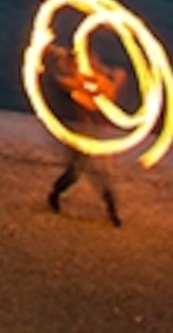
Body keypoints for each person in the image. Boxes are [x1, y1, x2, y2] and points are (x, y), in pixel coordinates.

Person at [42, 44, 126, 226]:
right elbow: (77, 87)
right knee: (76, 171)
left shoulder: (86, 62)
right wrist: (107, 84)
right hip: (77, 131)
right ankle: (55, 193)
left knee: (104, 172)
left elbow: (112, 75)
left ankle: (113, 209)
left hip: (96, 129)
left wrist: (113, 78)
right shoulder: (63, 79)